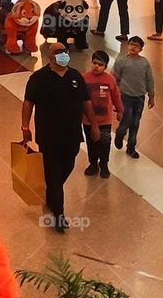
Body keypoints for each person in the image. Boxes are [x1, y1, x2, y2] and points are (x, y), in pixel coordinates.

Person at [21, 42, 100, 232]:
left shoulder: (75, 77)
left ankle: (51, 194)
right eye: (59, 52)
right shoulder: (38, 78)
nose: (64, 55)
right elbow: (28, 103)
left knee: (68, 165)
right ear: (50, 57)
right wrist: (25, 127)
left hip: (72, 134)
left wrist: (94, 124)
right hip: (48, 135)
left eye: (65, 51)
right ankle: (59, 215)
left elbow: (86, 101)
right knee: (54, 174)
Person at [82, 50, 123, 178]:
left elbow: (116, 96)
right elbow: (79, 97)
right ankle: (93, 164)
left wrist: (120, 110)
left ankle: (104, 164)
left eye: (100, 64)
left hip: (105, 120)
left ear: (105, 67)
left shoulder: (110, 79)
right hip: (88, 119)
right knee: (91, 143)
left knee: (104, 143)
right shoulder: (84, 78)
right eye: (94, 63)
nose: (96, 66)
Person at [113, 36, 155, 159]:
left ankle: (131, 147)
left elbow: (149, 80)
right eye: (131, 44)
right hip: (125, 96)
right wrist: (114, 97)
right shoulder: (121, 61)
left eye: (136, 45)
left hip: (140, 97)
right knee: (126, 120)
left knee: (135, 122)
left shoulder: (144, 62)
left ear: (141, 49)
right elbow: (114, 78)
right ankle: (120, 134)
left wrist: (151, 95)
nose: (133, 47)